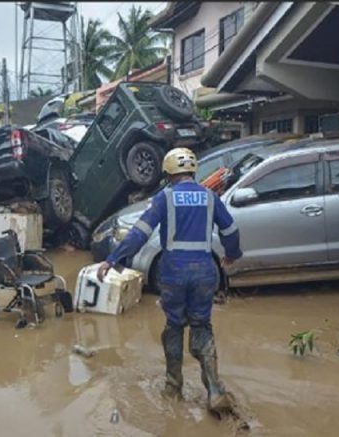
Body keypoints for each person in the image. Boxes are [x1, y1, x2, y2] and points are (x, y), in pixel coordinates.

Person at [97, 147, 242, 414]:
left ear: (169, 172)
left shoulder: (164, 198)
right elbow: (230, 229)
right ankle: (215, 390)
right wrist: (232, 255)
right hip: (204, 271)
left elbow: (139, 233)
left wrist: (113, 259)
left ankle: (173, 387)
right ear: (192, 170)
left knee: (174, 326)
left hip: (174, 272)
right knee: (202, 326)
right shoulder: (210, 197)